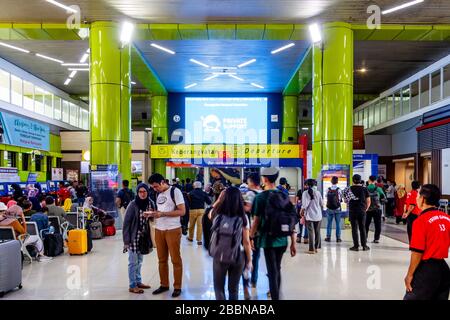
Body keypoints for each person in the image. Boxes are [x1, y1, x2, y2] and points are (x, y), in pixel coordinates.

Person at [249, 167, 296, 300]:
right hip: (282, 239)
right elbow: (291, 218)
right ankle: (277, 295)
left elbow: (256, 221)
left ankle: (275, 297)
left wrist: (251, 237)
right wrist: (293, 242)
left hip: (268, 240)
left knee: (272, 270)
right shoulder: (284, 195)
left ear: (265, 179)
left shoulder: (260, 197)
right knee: (277, 268)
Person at [403, 184, 450, 300]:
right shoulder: (447, 218)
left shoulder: (420, 221)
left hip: (426, 270)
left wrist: (409, 275)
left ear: (423, 199)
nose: (416, 198)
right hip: (444, 270)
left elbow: (417, 252)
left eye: (418, 196)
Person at [211, 186, 252, 300]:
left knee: (219, 288)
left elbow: (208, 214)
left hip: (220, 255)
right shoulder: (243, 218)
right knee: (233, 289)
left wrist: (218, 200)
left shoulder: (217, 215)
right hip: (238, 256)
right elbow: (246, 242)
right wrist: (249, 260)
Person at [148, 173, 186, 298]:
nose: (154, 189)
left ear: (163, 182)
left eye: (156, 186)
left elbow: (182, 211)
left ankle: (177, 286)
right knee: (161, 260)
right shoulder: (158, 193)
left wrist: (163, 214)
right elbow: (161, 211)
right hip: (159, 229)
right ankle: (164, 284)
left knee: (175, 259)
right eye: (153, 187)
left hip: (173, 229)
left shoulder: (175, 191)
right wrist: (153, 214)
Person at [123, 183, 155, 294]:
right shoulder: (133, 204)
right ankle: (132, 285)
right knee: (133, 262)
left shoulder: (151, 203)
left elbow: (154, 220)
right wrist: (126, 241)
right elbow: (126, 223)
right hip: (133, 237)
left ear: (147, 192)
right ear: (137, 193)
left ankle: (138, 281)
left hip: (144, 237)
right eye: (140, 192)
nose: (142, 194)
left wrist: (151, 216)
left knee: (140, 261)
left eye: (144, 191)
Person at [243, 173, 262, 293]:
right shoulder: (262, 193)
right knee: (258, 255)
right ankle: (255, 280)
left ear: (251, 182)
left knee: (249, 254)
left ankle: (250, 280)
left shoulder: (250, 194)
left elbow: (248, 209)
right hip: (263, 228)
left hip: (251, 227)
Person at [343, 174, 370, 251]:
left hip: (352, 211)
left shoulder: (349, 189)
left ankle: (356, 246)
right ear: (360, 180)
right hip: (362, 211)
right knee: (362, 228)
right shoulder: (364, 189)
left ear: (352, 180)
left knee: (354, 229)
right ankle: (364, 246)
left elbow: (345, 201)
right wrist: (366, 209)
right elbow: (368, 200)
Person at [301, 179, 323, 254]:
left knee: (310, 232)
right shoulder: (318, 193)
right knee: (317, 232)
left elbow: (304, 205)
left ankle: (311, 249)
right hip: (318, 215)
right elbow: (321, 204)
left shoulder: (305, 193)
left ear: (307, 185)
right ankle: (316, 247)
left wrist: (302, 210)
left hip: (309, 215)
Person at [187, 181, 212, 245]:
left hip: (192, 210)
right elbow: (209, 202)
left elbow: (188, 203)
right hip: (201, 210)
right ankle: (199, 240)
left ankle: (190, 237)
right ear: (201, 186)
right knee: (200, 226)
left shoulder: (190, 193)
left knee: (191, 225)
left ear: (194, 186)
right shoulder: (203, 193)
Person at [365, 175, 386, 244]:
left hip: (368, 209)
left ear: (369, 180)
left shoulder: (366, 188)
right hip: (377, 209)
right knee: (377, 224)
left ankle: (365, 238)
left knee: (366, 224)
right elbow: (384, 198)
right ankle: (376, 239)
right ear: (375, 180)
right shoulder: (378, 188)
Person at [325, 176, 343, 243]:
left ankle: (328, 237)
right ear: (337, 182)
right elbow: (341, 199)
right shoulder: (339, 189)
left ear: (331, 181)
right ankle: (338, 238)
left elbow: (326, 197)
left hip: (329, 208)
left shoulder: (328, 189)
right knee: (338, 223)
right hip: (337, 208)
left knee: (329, 223)